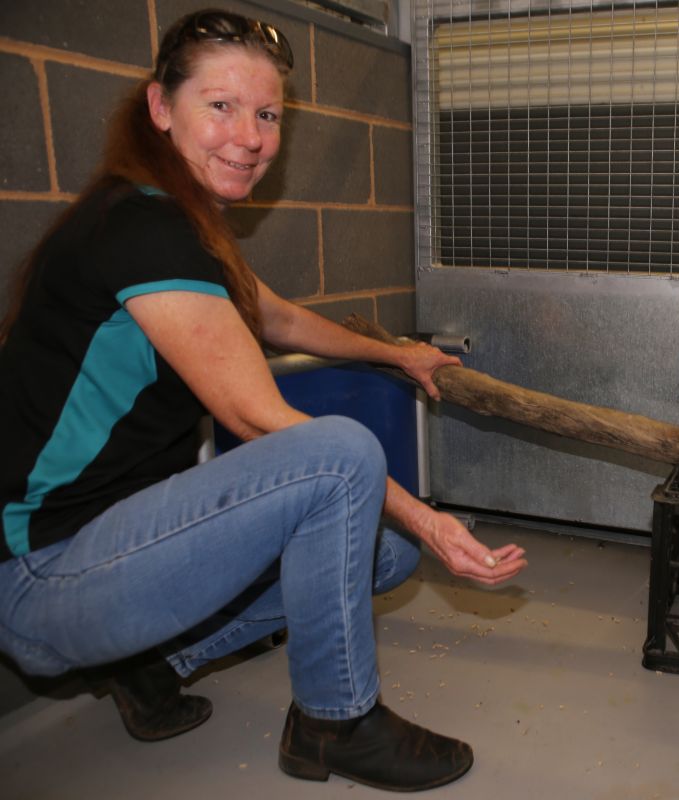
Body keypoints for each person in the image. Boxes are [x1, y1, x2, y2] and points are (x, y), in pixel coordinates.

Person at [0, 8, 527, 792]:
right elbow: (258, 417)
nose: (248, 136)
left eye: (268, 114)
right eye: (220, 106)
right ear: (159, 107)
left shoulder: (183, 224)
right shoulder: (140, 230)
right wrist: (431, 517)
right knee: (341, 453)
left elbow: (274, 316)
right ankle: (335, 721)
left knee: (380, 553)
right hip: (47, 576)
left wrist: (399, 353)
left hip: (115, 550)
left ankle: (151, 665)